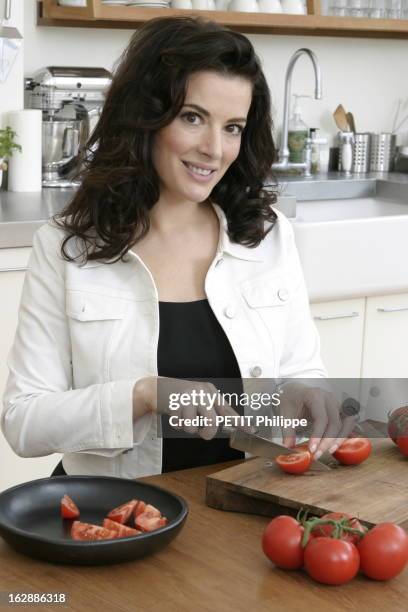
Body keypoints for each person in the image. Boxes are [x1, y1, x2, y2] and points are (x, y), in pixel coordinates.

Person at [1, 17, 356, 480]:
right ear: (145, 117)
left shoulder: (268, 235)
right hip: (117, 513)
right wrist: (145, 395)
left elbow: (299, 371)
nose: (214, 149)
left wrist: (304, 395)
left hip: (238, 508)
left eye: (233, 128)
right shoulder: (67, 246)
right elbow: (24, 422)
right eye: (193, 118)